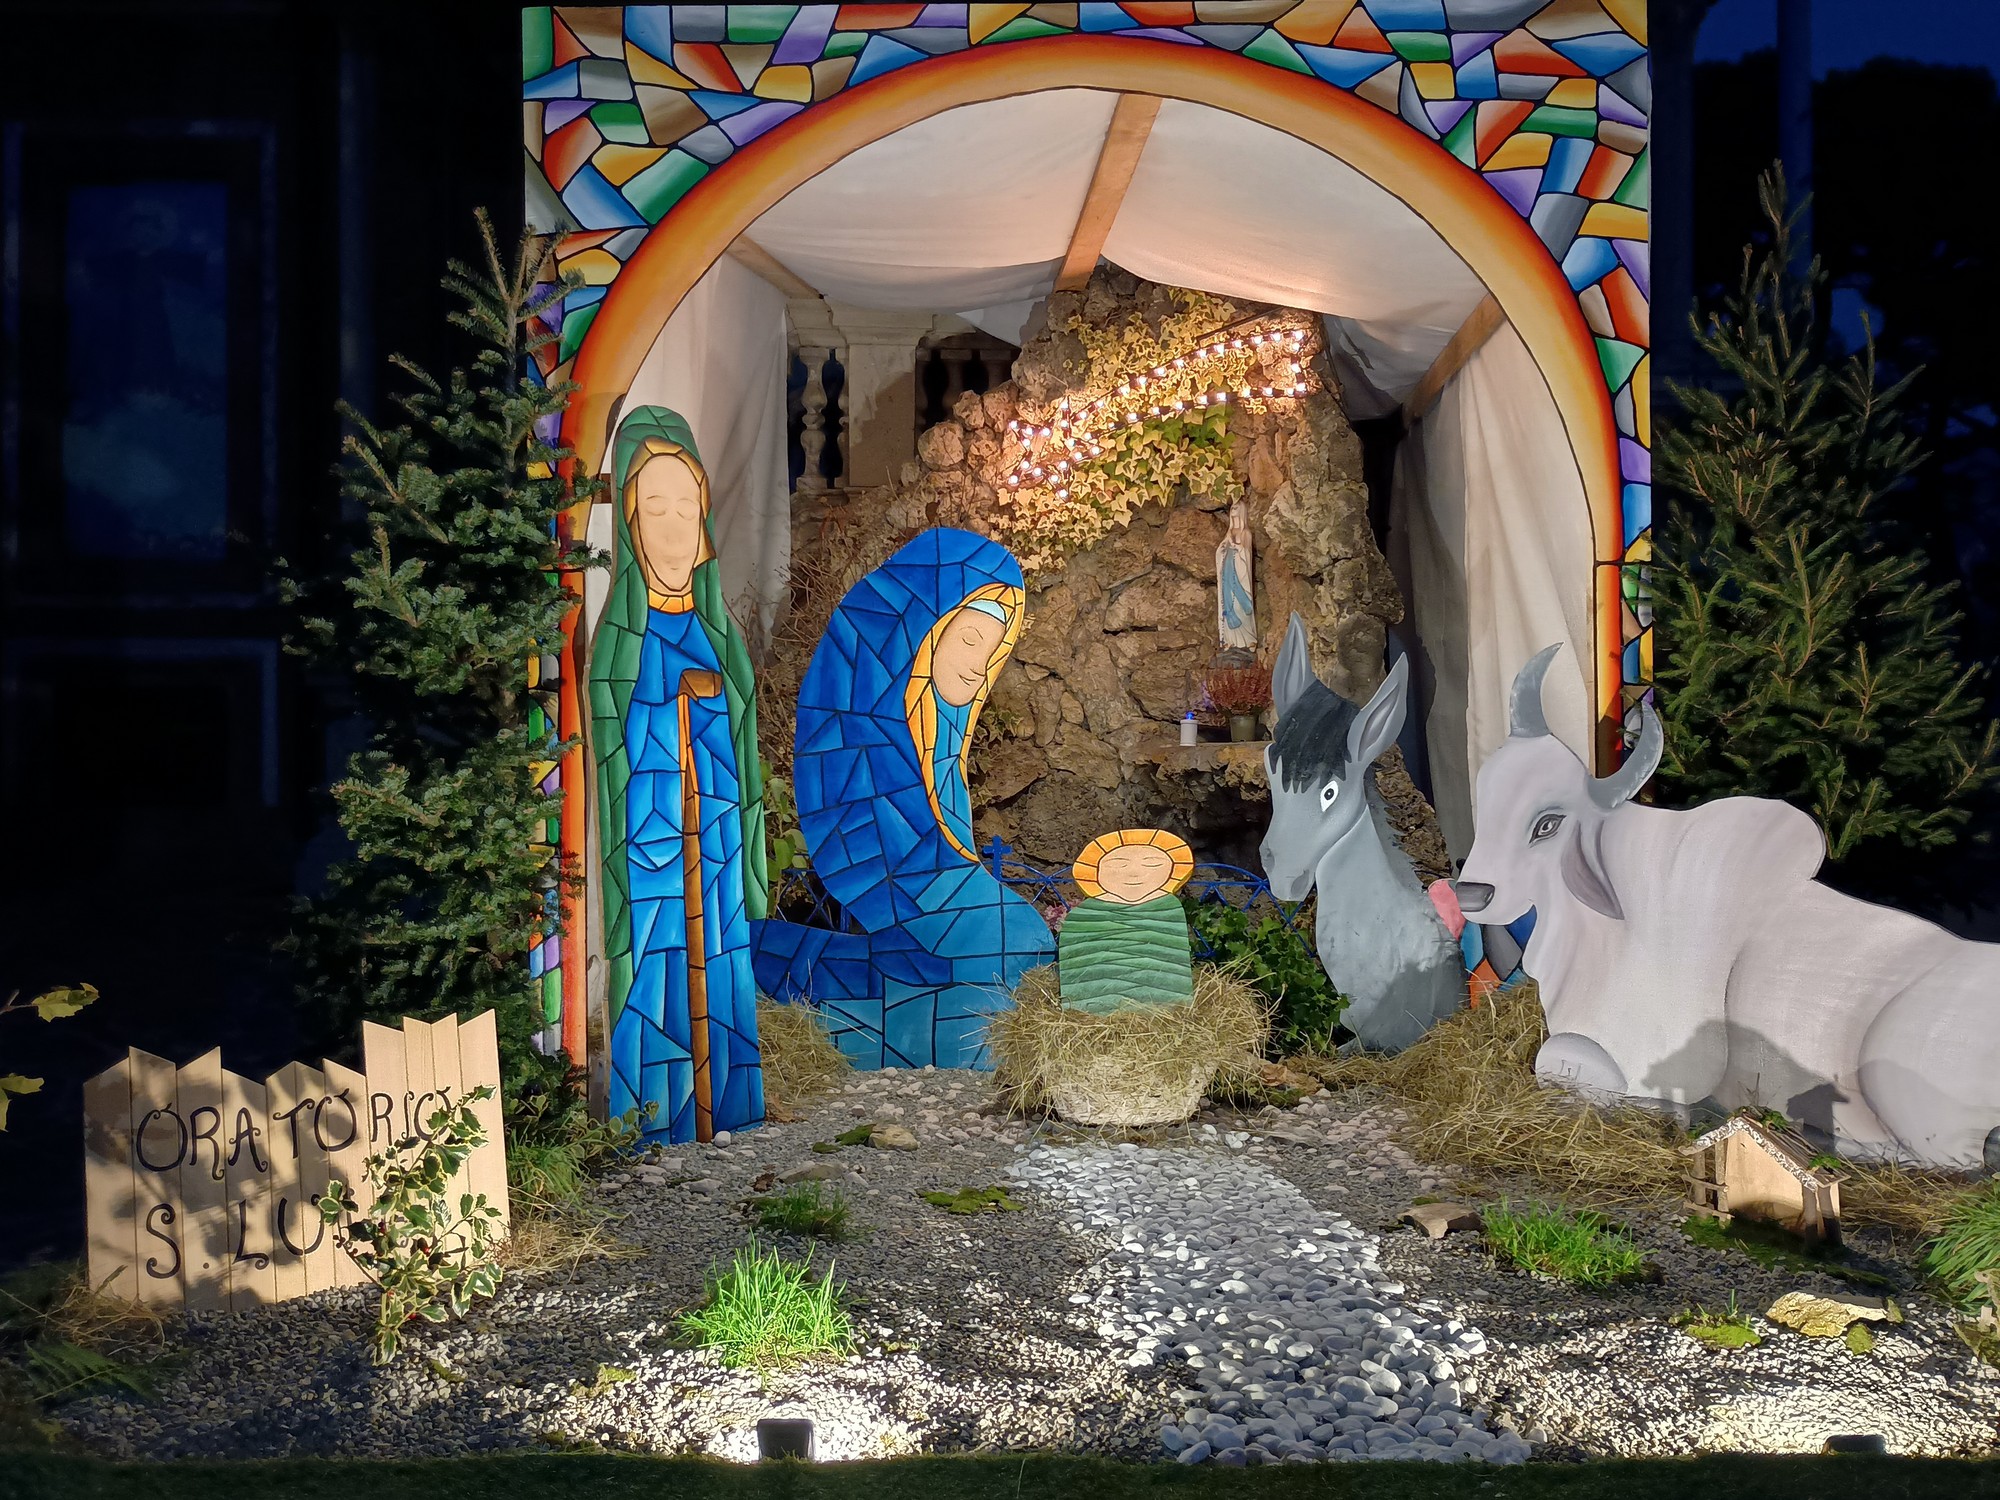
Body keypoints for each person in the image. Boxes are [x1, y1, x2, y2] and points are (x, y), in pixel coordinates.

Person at [590, 406, 764, 1144]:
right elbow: (611, 747)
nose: (671, 530)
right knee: (660, 972)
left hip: (715, 847)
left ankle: (727, 1104)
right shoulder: (619, 644)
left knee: (721, 966)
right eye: (653, 509)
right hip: (654, 849)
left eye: (685, 509)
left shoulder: (720, 636)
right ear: (629, 523)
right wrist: (668, 722)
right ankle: (654, 1117)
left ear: (705, 524)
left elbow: (744, 753)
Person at [1058, 829, 1197, 1013]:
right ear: (1094, 871)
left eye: (1152, 863)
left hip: (1160, 1014)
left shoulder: (1169, 910)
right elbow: (1077, 970)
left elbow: (1173, 968)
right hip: (1094, 1014)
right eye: (1118, 864)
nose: (1134, 873)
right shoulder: (1083, 916)